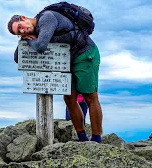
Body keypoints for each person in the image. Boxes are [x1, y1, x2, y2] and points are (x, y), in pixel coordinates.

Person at [7, 6, 103, 143]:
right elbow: (18, 57)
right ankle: (82, 138)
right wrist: (25, 39)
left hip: (85, 53)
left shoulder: (47, 18)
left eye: (20, 26)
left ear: (23, 17)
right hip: (67, 59)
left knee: (89, 96)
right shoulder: (33, 31)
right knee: (69, 98)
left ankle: (96, 140)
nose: (22, 31)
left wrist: (29, 40)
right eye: (19, 32)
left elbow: (40, 47)